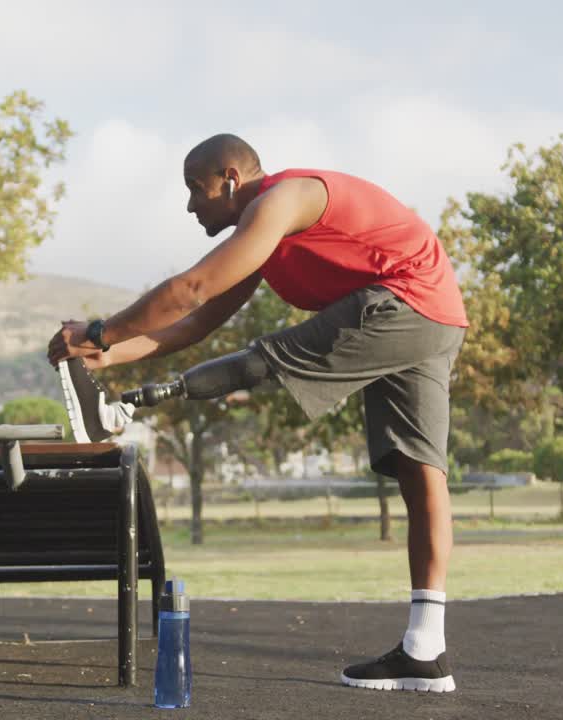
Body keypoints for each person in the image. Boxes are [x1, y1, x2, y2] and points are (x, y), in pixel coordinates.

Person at [47, 133, 468, 693]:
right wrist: (105, 352)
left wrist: (101, 328)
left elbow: (191, 288)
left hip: (403, 301)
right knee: (421, 474)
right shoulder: (259, 243)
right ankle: (426, 650)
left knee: (265, 359)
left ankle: (132, 405)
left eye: (195, 190)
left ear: (230, 179)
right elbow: (192, 324)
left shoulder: (282, 201)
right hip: (437, 314)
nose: (190, 205)